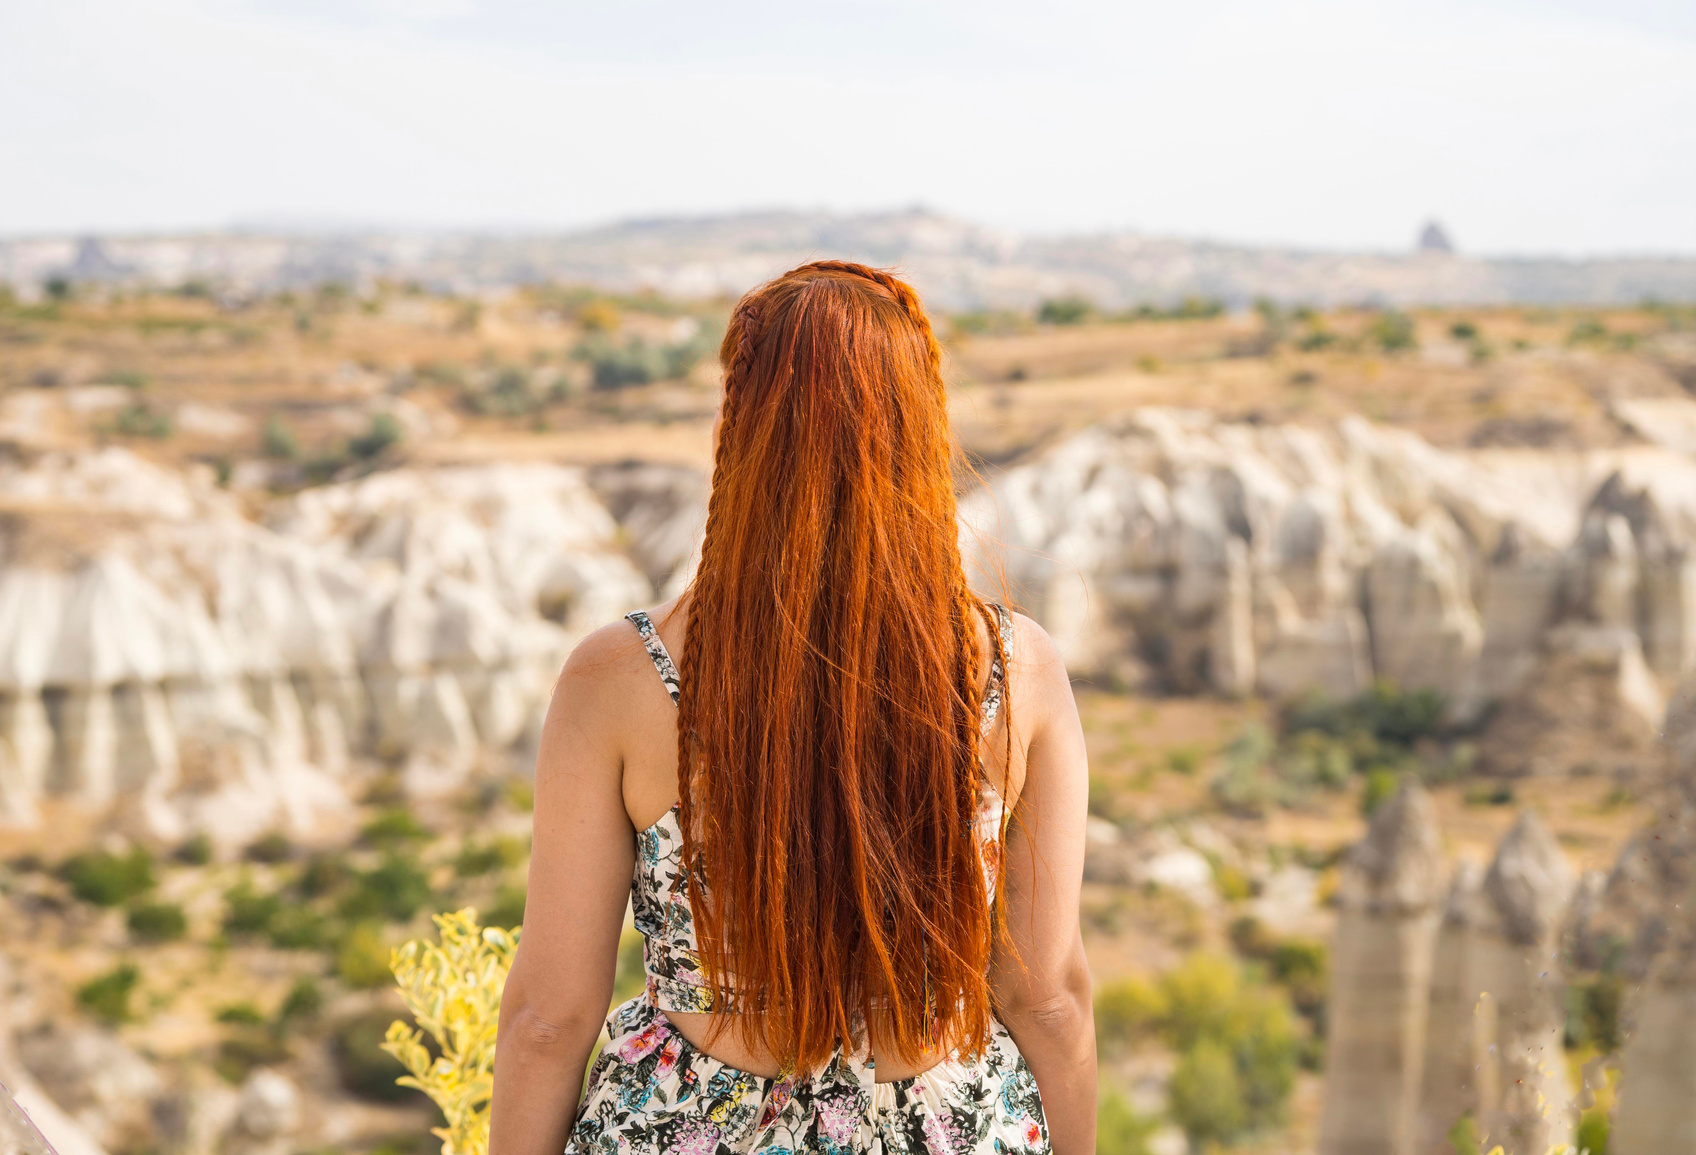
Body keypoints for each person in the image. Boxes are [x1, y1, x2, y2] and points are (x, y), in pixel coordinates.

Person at [489, 261, 1095, 1154]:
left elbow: (549, 1017)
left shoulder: (620, 678)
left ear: (742, 427)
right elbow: (1045, 995)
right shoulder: (1018, 669)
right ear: (919, 430)